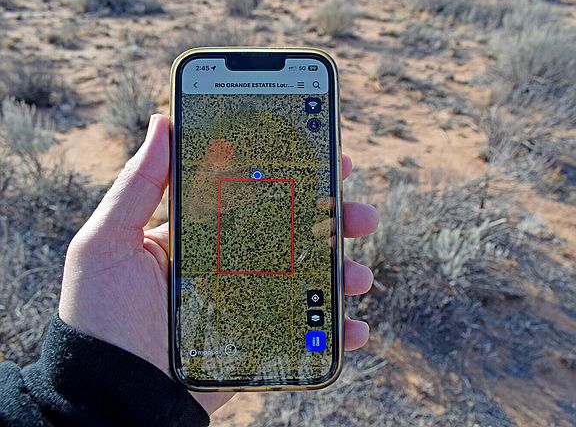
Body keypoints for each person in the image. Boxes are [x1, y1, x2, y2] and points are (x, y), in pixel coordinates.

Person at [0, 115, 380, 426]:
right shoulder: (190, 268)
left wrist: (92, 389)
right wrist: (102, 383)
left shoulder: (268, 264)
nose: (234, 178)